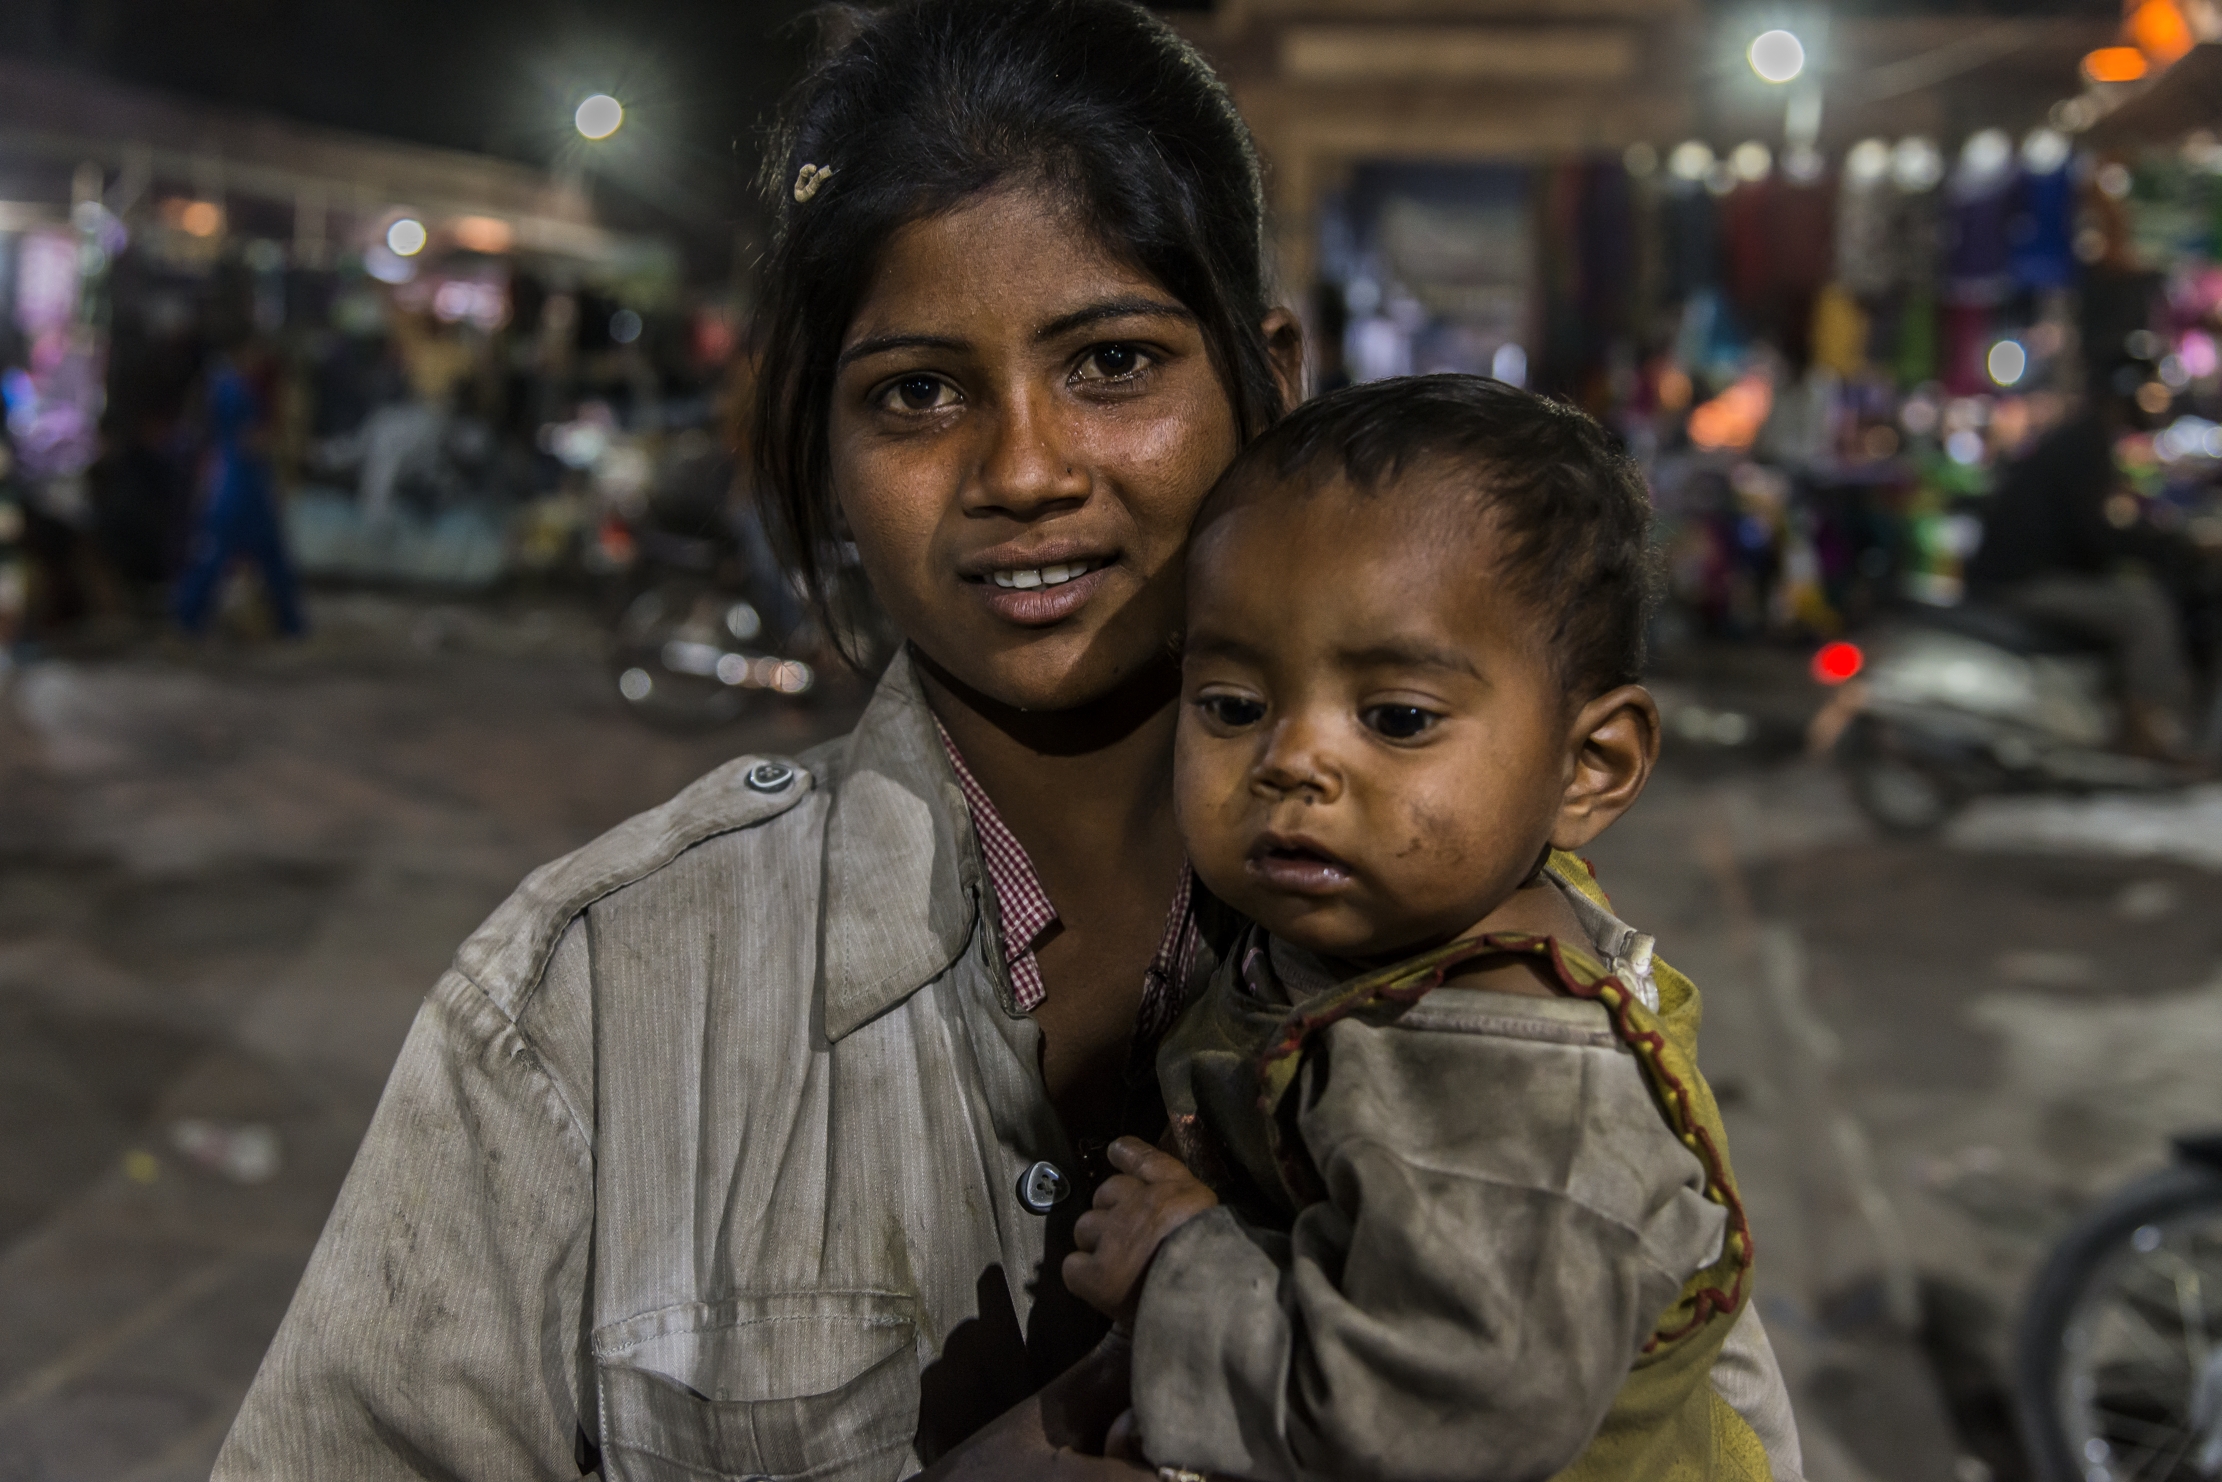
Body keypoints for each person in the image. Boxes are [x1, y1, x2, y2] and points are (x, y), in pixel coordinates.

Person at [213, 3, 1794, 1476]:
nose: (1024, 469)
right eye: (915, 393)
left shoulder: (1513, 986)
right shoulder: (594, 1004)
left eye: (1112, 362)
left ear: (1268, 381)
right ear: (824, 454)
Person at [1064, 377, 1796, 1481]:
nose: (1290, 762)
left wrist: (1176, 1266)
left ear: (1587, 767)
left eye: (1396, 718)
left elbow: (1425, 1434)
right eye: (1229, 706)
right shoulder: (1405, 926)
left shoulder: (1514, 1086)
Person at [1964, 378, 2194, 759]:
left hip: (2024, 574)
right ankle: (2145, 733)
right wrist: (2158, 548)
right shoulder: (2086, 446)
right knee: (2145, 610)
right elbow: (2093, 531)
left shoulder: (2083, 439)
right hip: (2023, 582)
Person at [173, 353, 306, 637]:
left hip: (236, 486)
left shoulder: (223, 385)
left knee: (250, 556)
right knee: (228, 555)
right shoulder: (239, 392)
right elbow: (251, 439)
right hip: (238, 488)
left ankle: (189, 620)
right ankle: (188, 619)